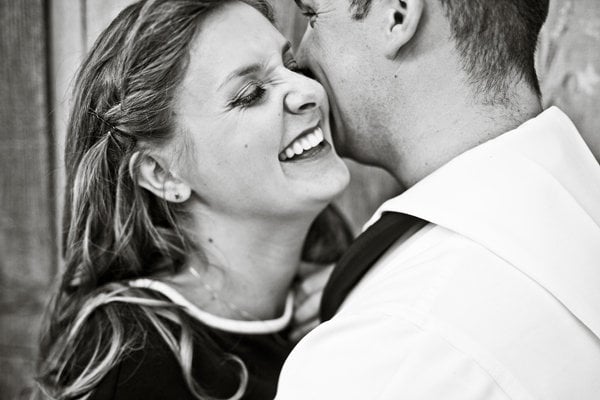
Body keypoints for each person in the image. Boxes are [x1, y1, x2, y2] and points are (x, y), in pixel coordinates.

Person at [276, 0, 600, 399]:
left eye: (312, 17)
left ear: (397, 14)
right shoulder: (580, 213)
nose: (299, 59)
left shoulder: (385, 350)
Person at [36, 1, 352, 399]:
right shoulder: (135, 363)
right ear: (163, 174)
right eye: (251, 94)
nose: (309, 91)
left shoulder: (344, 299)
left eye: (291, 66)